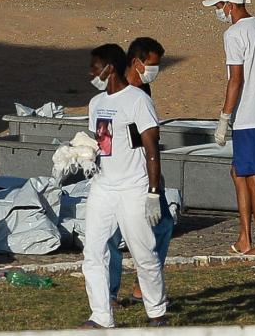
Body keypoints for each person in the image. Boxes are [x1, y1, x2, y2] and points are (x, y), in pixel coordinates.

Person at [82, 44, 167, 328]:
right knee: (93, 252)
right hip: (102, 187)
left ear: (110, 68)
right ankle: (101, 316)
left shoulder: (137, 100)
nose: (91, 72)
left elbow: (151, 147)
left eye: (96, 66)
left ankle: (156, 312)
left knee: (143, 252)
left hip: (133, 188)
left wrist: (153, 193)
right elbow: (101, 143)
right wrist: (79, 155)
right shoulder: (95, 104)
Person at [204, 0, 255, 255]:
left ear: (230, 5)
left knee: (253, 176)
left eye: (219, 6)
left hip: (250, 114)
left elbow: (236, 79)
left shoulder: (235, 34)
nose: (218, 11)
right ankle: (245, 237)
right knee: (239, 172)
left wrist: (225, 116)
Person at [108, 37, 174, 306]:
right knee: (112, 234)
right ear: (136, 63)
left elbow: (147, 138)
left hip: (144, 169)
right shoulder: (114, 90)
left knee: (163, 225)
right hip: (118, 172)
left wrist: (154, 182)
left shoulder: (143, 90)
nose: (154, 71)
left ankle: (143, 285)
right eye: (152, 65)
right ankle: (109, 293)